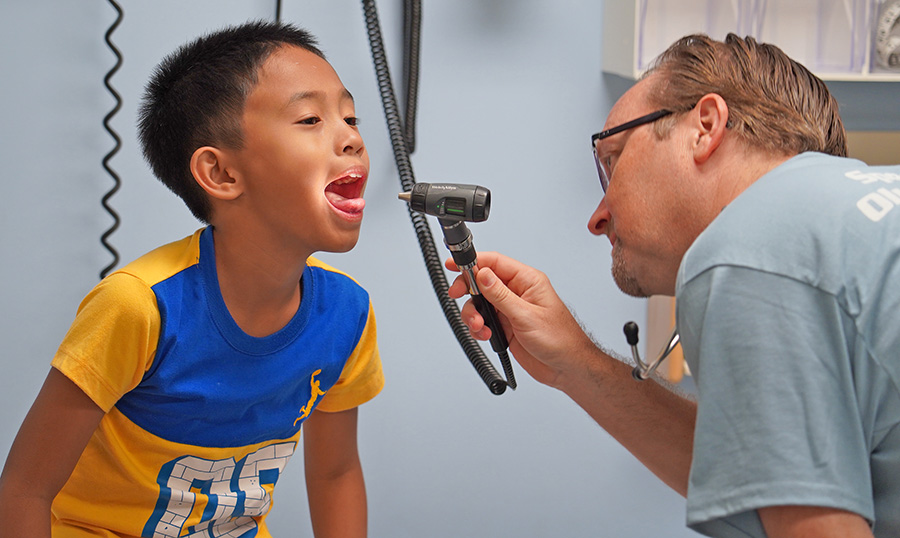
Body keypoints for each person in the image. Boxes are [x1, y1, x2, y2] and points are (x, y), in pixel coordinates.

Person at [448, 33, 900, 537]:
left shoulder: (750, 250)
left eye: (612, 160)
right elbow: (764, 474)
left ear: (704, 126)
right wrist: (576, 361)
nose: (597, 219)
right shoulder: (840, 224)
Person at [0, 21, 383, 537]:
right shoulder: (139, 307)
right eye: (311, 118)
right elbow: (25, 489)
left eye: (350, 116)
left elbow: (336, 473)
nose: (352, 138)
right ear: (222, 174)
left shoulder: (346, 314)